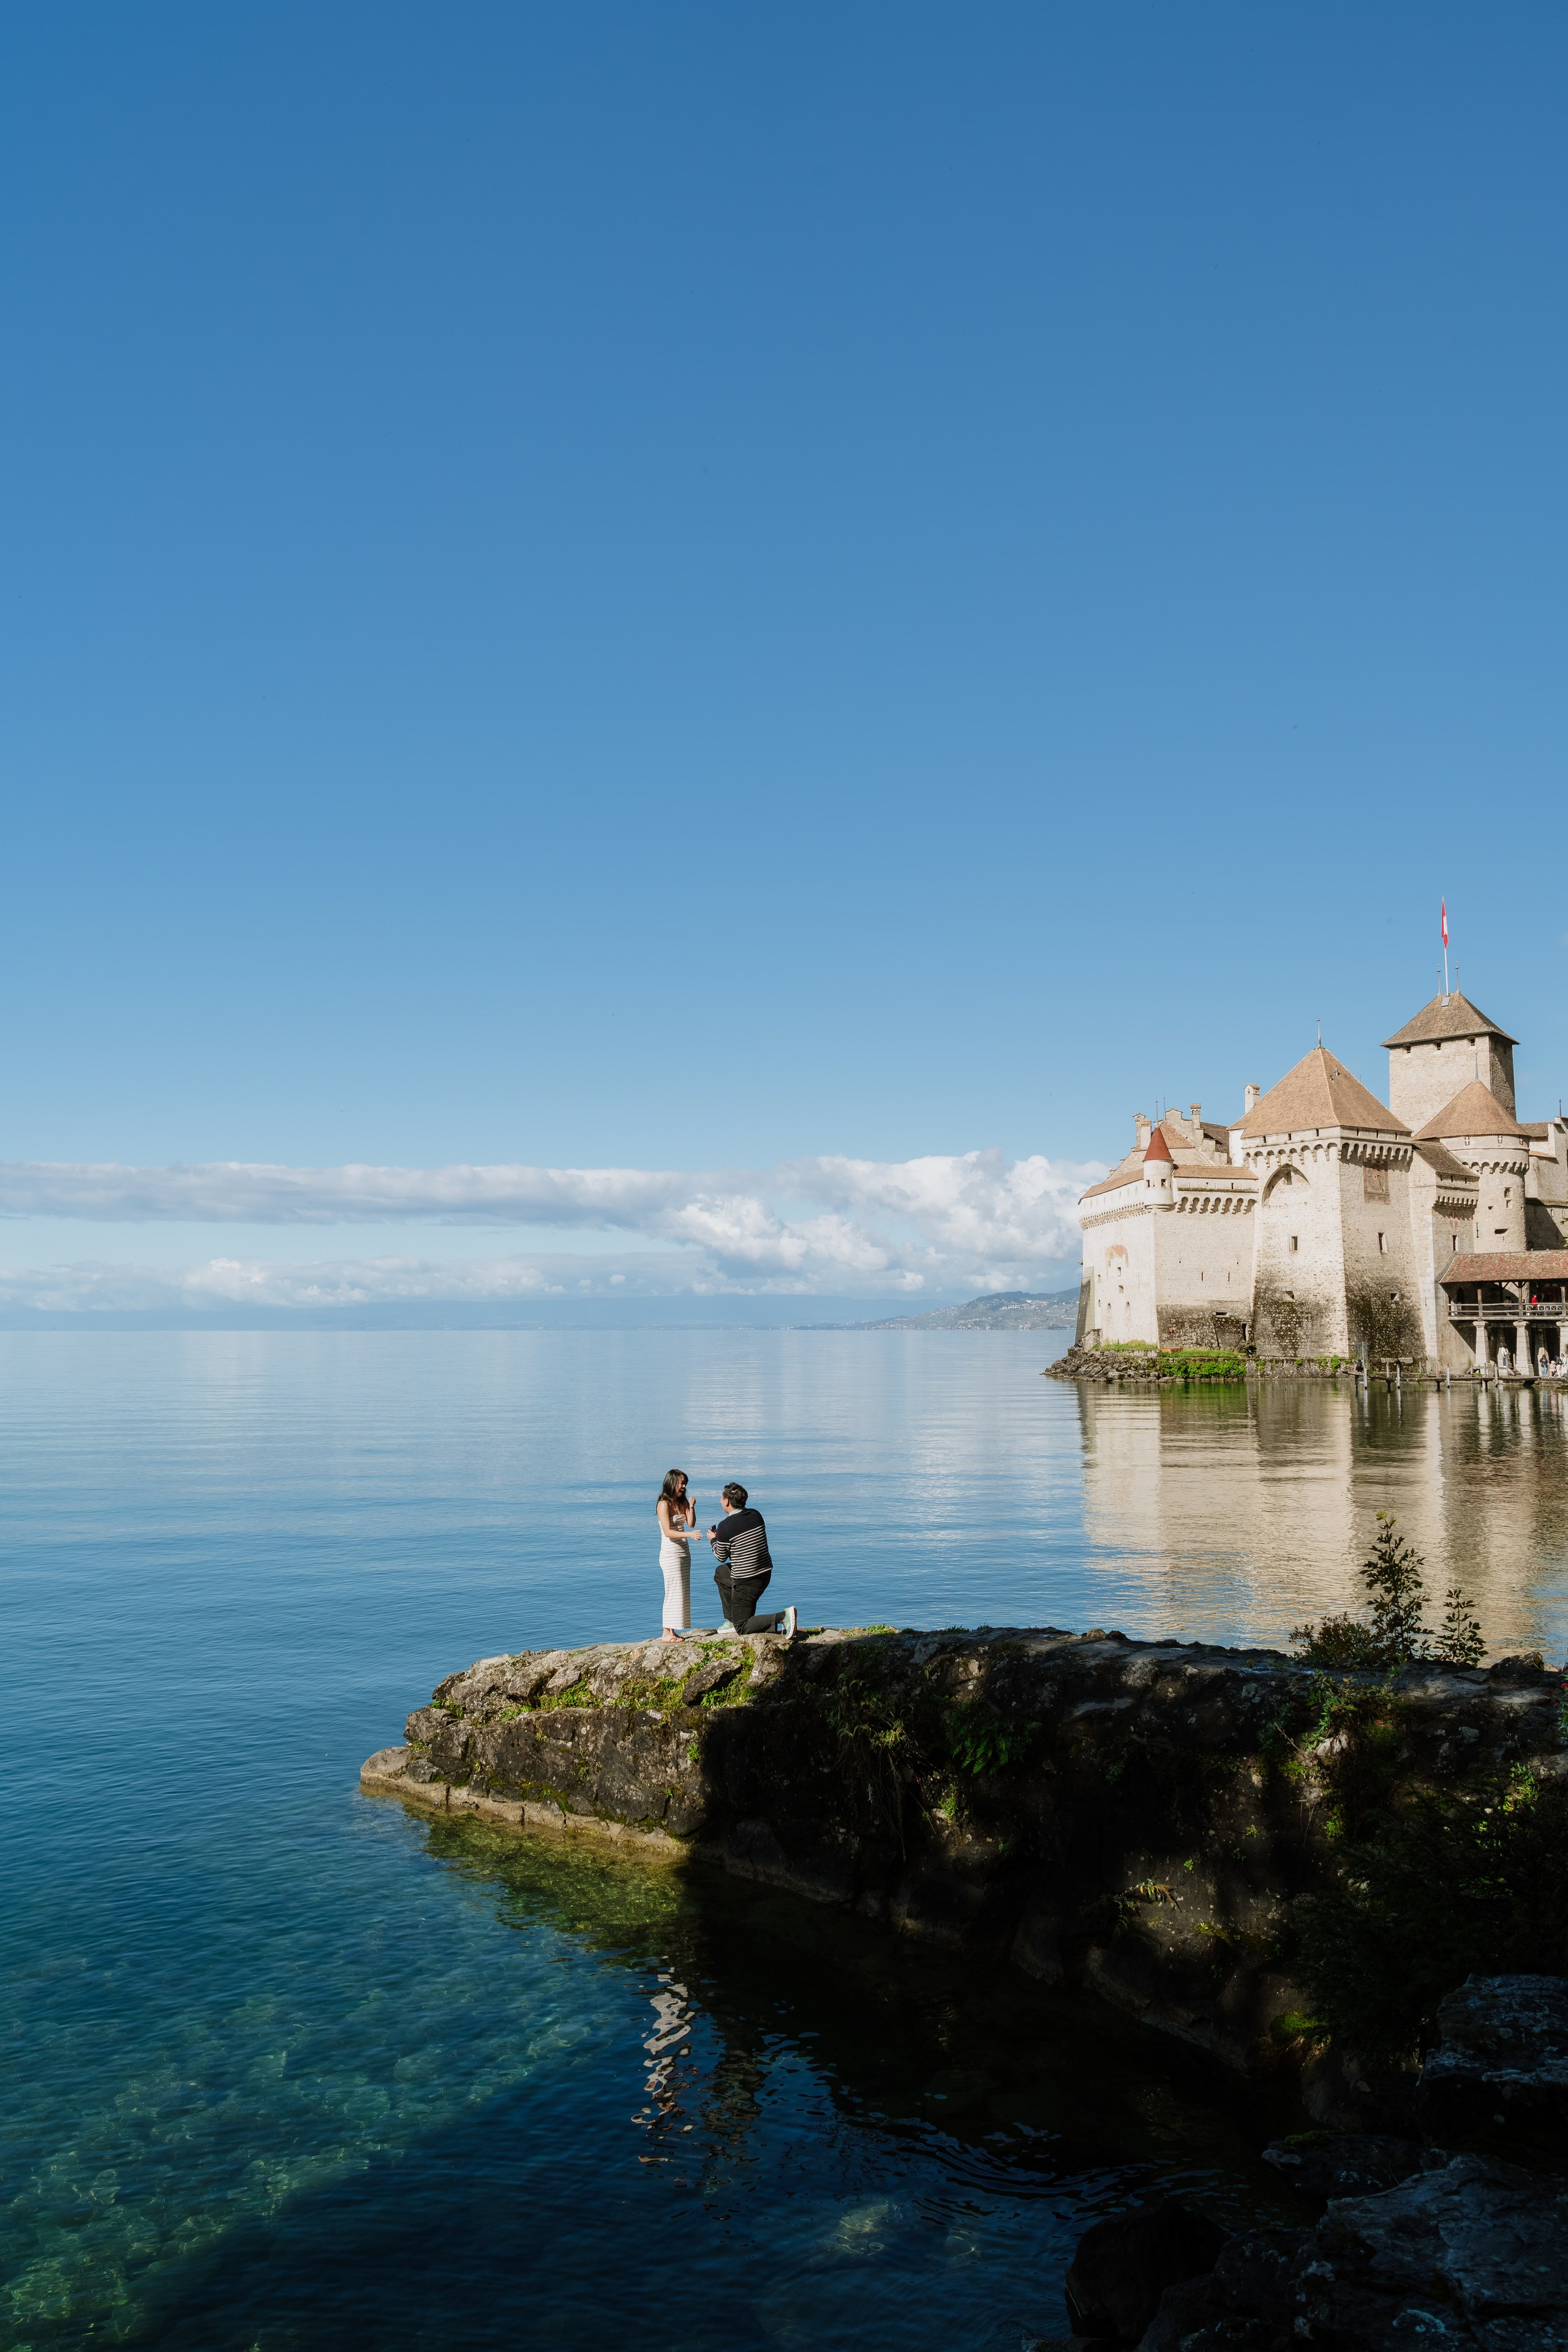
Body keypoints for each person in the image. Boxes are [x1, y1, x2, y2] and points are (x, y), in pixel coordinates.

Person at [707, 1482, 796, 1638]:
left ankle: (783, 1617)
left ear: (727, 1501)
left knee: (742, 1627)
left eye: (721, 1499)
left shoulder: (725, 1527)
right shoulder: (756, 1515)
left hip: (746, 1582)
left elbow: (720, 1557)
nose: (721, 1501)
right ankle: (731, 1619)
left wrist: (713, 1540)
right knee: (721, 1574)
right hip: (765, 1574)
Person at [656, 1469, 697, 1641]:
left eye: (685, 1483)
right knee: (672, 1591)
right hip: (670, 1552)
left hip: (684, 1552)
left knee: (681, 1591)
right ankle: (666, 1632)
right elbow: (667, 1532)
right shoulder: (663, 1504)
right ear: (672, 1483)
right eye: (681, 1483)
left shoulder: (683, 1502)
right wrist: (688, 1535)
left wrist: (692, 1508)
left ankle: (673, 1631)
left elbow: (691, 1523)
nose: (684, 1486)